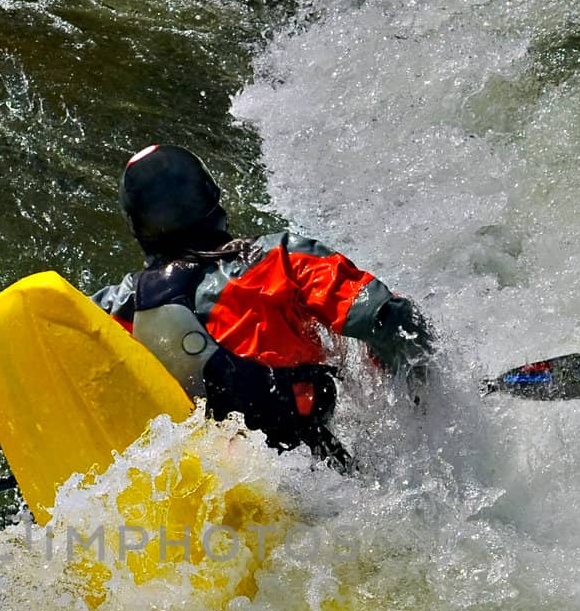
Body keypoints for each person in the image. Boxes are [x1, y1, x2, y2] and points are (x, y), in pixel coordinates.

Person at [91, 144, 433, 469]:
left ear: (138, 228)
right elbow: (386, 317)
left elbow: (54, 344)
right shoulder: (280, 257)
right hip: (306, 463)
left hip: (206, 469)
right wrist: (424, 400)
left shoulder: (122, 302)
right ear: (211, 196)